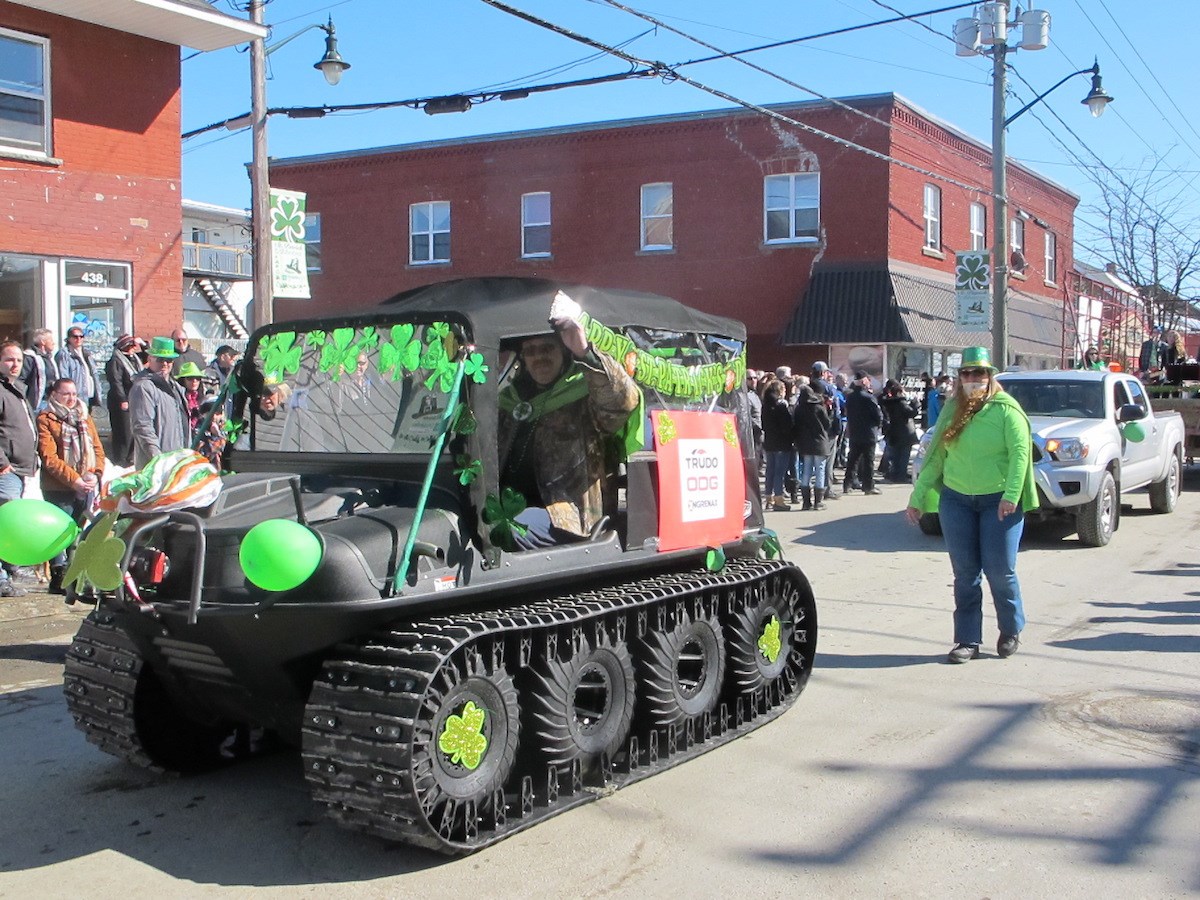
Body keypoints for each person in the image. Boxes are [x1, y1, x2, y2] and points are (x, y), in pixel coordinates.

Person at [904, 346, 1037, 664]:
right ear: (959, 378)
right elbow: (936, 458)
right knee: (965, 575)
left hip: (998, 501)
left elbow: (1020, 455)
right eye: (967, 373)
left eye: (979, 373)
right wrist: (918, 497)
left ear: (990, 376)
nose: (973, 379)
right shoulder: (952, 410)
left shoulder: (1007, 410)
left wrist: (1011, 495)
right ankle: (967, 640)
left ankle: (1010, 629)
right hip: (957, 501)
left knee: (1000, 572)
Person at [497, 299, 640, 548]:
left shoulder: (585, 396)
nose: (539, 357)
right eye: (530, 351)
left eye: (547, 349)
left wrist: (585, 352)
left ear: (563, 352)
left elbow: (623, 400)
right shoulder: (511, 400)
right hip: (508, 502)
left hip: (566, 515)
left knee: (509, 527)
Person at [36, 378, 106, 594]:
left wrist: (96, 474)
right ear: (54, 395)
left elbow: (97, 449)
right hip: (59, 486)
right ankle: (59, 575)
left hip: (86, 484)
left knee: (76, 529)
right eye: (66, 394)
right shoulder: (46, 419)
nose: (71, 398)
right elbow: (49, 457)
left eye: (74, 394)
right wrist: (74, 480)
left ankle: (73, 573)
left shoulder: (84, 417)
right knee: (59, 531)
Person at [0, 341, 38, 598]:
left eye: (18, 361)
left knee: (10, 523)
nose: (15, 365)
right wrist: (2, 462)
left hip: (23, 469)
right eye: (9, 359)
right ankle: (2, 578)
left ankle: (11, 568)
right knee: (3, 523)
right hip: (6, 469)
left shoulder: (17, 390)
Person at [128, 336, 191, 467]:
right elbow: (143, 427)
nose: (165, 364)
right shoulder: (144, 387)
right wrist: (157, 460)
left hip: (177, 462)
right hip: (155, 467)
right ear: (150, 359)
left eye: (169, 360)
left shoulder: (176, 388)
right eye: (160, 359)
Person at [792, 381, 836, 510]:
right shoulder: (818, 407)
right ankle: (818, 502)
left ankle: (806, 502)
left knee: (806, 471)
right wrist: (831, 412)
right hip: (820, 442)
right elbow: (827, 424)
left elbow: (796, 425)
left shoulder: (799, 408)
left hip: (805, 443)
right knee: (820, 470)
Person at [843, 372, 883, 496]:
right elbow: (878, 415)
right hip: (868, 433)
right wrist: (878, 425)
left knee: (852, 460)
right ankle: (868, 486)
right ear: (864, 382)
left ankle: (847, 484)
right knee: (868, 461)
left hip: (855, 432)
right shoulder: (869, 397)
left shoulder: (850, 397)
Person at [105, 334, 143, 467]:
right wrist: (122, 399)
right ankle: (120, 461)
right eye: (131, 345)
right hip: (121, 401)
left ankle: (130, 459)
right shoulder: (116, 360)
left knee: (134, 431)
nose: (134, 348)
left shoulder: (134, 359)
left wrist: (143, 344)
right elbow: (116, 382)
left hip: (135, 398)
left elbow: (149, 357)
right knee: (124, 433)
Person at [760, 380, 795, 511]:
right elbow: (787, 425)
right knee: (779, 472)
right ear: (779, 391)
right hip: (781, 442)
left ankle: (768, 498)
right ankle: (779, 499)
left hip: (770, 441)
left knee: (770, 470)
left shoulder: (766, 405)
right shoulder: (780, 406)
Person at [54, 326, 102, 410]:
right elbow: (63, 377)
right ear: (69, 338)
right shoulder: (64, 354)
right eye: (75, 336)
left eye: (81, 336)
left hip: (89, 397)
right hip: (74, 399)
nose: (78, 339)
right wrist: (70, 396)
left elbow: (94, 374)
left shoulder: (86, 354)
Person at [880, 379, 919, 482]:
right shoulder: (901, 402)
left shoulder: (888, 403)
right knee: (904, 456)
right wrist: (915, 404)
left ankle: (895, 474)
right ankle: (901, 475)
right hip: (905, 432)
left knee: (896, 455)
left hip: (894, 432)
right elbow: (911, 413)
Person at [20, 328, 58, 412]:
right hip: (36, 404)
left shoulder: (50, 358)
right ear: (43, 342)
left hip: (50, 402)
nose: (53, 342)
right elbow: (21, 380)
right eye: (51, 339)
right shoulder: (30, 357)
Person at [195, 398, 227, 468]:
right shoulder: (199, 429)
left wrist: (217, 434)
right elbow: (201, 451)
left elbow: (224, 448)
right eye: (210, 414)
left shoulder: (224, 428)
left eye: (217, 414)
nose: (214, 417)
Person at [176, 361, 205, 432]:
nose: (194, 381)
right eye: (190, 378)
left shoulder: (203, 398)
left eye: (197, 378)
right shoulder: (177, 397)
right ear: (183, 380)